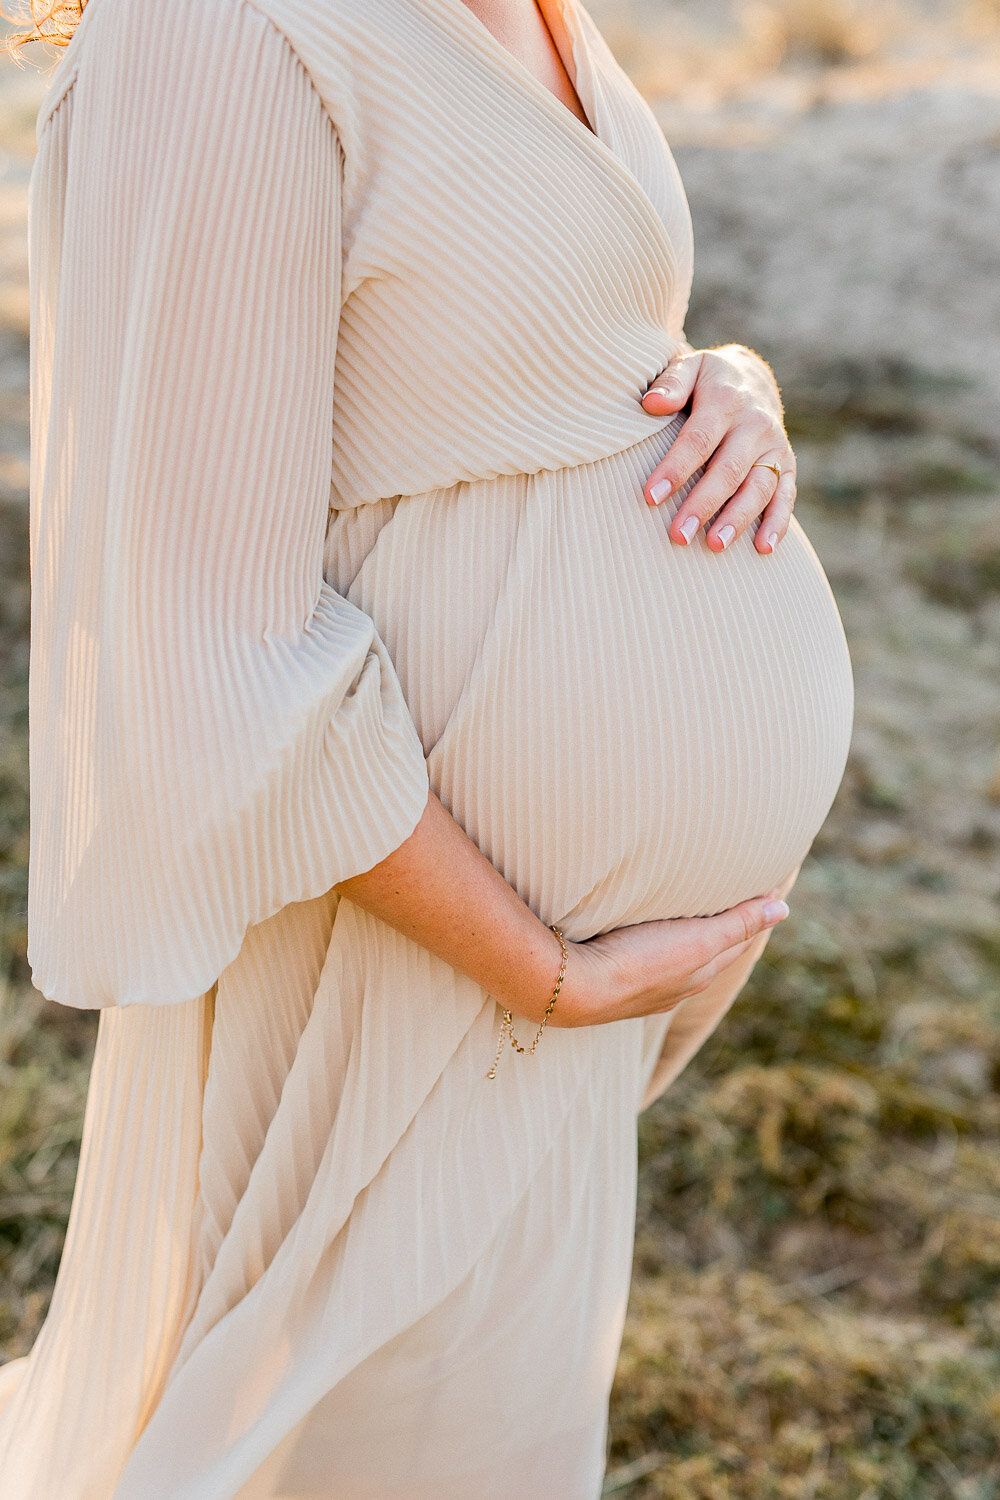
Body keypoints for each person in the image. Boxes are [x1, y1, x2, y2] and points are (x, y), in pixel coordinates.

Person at [0, 0, 854, 1494]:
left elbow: (534, 335)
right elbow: (199, 650)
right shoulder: (218, 30)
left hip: (537, 1005)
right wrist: (541, 969)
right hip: (409, 956)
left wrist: (720, 384)